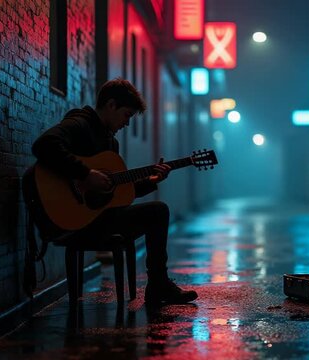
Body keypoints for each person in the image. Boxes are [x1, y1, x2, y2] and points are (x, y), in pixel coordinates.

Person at [31, 78, 198, 305]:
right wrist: (85, 174)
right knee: (158, 211)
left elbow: (117, 194)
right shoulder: (80, 124)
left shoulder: (111, 143)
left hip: (98, 217)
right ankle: (159, 286)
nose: (127, 123)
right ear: (111, 105)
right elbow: (44, 144)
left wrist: (151, 181)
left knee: (156, 211)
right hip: (72, 220)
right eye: (127, 115)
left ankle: (158, 285)